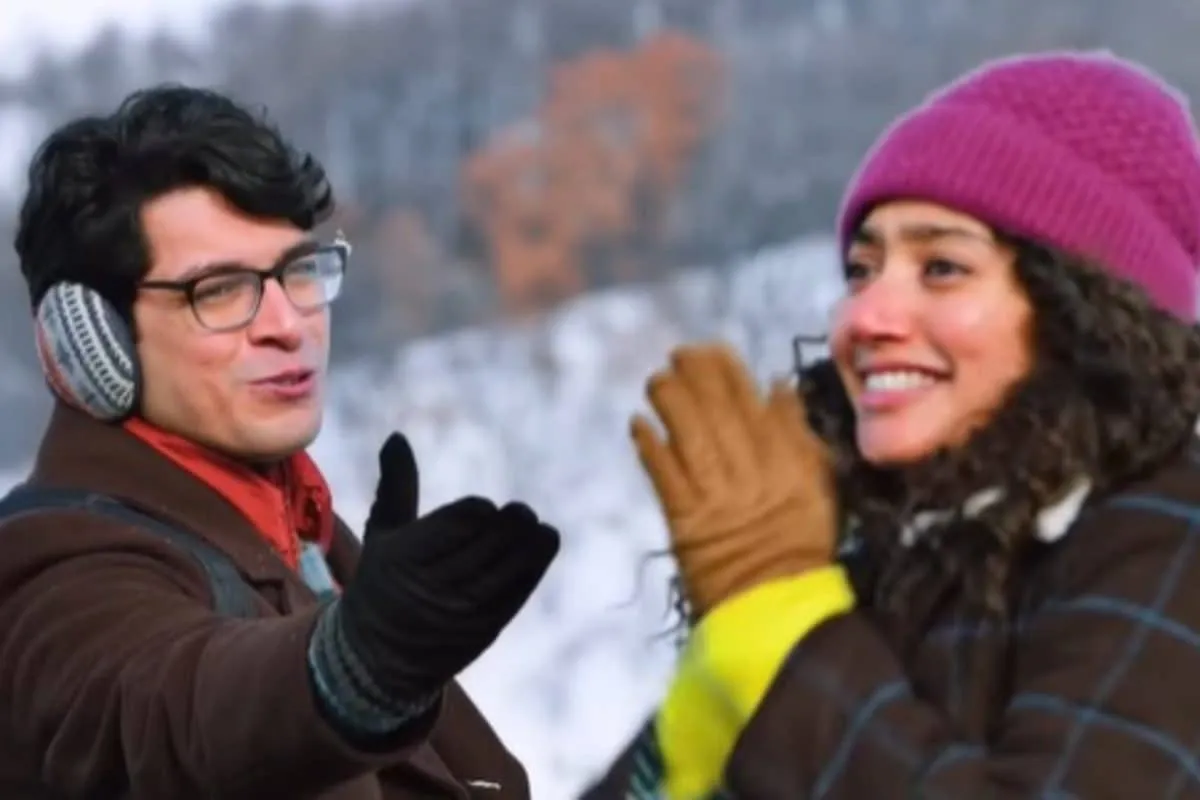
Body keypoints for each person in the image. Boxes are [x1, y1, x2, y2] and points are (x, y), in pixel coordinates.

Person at [584, 50, 1200, 798]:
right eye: (862, 270)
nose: (865, 317)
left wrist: (783, 637)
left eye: (942, 267)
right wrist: (671, 765)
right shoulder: (858, 549)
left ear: (1086, 310)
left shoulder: (1166, 537)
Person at [0, 85, 559, 799]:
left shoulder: (297, 529)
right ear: (90, 339)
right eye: (219, 290)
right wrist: (347, 673)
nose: (287, 324)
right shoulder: (51, 575)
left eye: (298, 272)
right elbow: (172, 717)